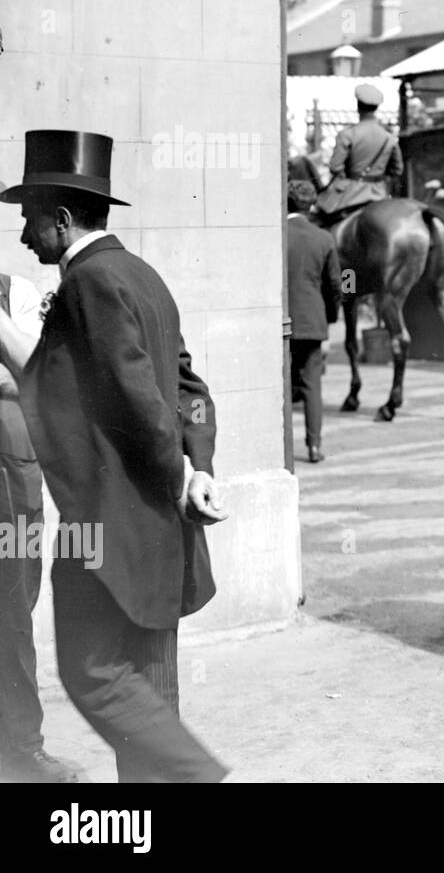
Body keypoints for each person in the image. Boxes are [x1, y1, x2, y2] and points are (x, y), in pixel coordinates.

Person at [0, 131, 229, 783]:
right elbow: (189, 390)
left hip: (111, 526)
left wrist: (179, 470)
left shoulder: (90, 283)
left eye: (29, 219)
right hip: (161, 527)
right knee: (149, 687)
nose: (23, 237)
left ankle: (199, 774)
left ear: (63, 219)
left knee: (93, 671)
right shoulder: (141, 275)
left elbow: (135, 400)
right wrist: (199, 467)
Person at [0, 265, 79, 783]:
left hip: (15, 474)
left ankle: (21, 749)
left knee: (14, 610)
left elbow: (35, 372)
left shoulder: (17, 291)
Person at [287, 180, 342, 464]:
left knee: (282, 385)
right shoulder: (324, 238)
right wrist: (329, 319)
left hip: (281, 324)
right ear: (311, 205)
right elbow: (335, 286)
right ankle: (314, 446)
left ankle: (281, 449)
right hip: (312, 322)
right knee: (312, 387)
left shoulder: (278, 235)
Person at [314, 83, 404, 224]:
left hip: (351, 194)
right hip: (380, 193)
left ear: (358, 106)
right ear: (376, 108)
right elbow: (397, 170)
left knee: (320, 220)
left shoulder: (348, 134)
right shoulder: (389, 137)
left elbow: (335, 167)